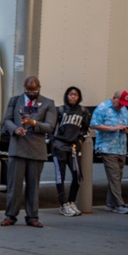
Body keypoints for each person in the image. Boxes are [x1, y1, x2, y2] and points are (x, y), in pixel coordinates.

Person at [0, 76, 57, 228]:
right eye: (29, 91)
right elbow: (7, 120)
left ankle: (32, 216)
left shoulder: (48, 103)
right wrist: (15, 129)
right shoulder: (15, 100)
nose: (32, 94)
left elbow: (50, 126)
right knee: (14, 185)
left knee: (33, 186)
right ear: (24, 88)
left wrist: (34, 123)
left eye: (35, 91)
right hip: (17, 147)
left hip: (36, 149)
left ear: (40, 88)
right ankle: (10, 216)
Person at [91, 90, 128, 214]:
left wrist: (126, 130)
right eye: (120, 103)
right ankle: (119, 204)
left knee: (117, 177)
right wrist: (112, 128)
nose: (121, 106)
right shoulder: (103, 108)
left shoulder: (124, 109)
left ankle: (110, 204)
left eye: (124, 104)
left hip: (121, 148)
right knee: (114, 176)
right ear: (114, 98)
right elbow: (94, 124)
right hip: (107, 147)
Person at [51, 86, 90, 217]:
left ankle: (71, 201)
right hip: (60, 146)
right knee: (60, 176)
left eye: (75, 95)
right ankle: (63, 204)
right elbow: (51, 128)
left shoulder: (83, 112)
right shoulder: (60, 110)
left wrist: (80, 140)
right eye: (70, 94)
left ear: (79, 97)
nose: (73, 97)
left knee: (77, 175)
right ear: (66, 96)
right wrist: (54, 143)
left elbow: (85, 129)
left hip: (74, 148)